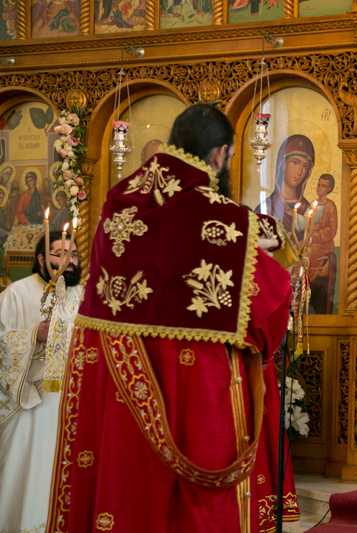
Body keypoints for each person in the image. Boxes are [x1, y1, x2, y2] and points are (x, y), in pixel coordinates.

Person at [45, 104, 300, 533]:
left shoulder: (118, 207)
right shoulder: (230, 223)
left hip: (122, 388)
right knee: (195, 508)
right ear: (219, 156)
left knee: (130, 489)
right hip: (198, 387)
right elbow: (268, 312)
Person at [1, 230, 83, 533]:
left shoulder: (84, 295)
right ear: (40, 259)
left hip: (75, 403)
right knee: (27, 475)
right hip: (29, 403)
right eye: (60, 254)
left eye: (73, 255)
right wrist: (33, 334)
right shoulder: (17, 293)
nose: (69, 261)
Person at [259, 134, 315, 242]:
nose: (300, 172)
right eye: (295, 162)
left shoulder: (308, 210)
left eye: (305, 166)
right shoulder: (267, 207)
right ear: (283, 165)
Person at [304, 173, 338, 314]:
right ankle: (302, 290)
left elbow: (332, 228)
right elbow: (307, 225)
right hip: (311, 241)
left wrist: (317, 235)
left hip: (323, 244)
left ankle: (308, 286)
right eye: (318, 184)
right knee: (299, 250)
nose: (319, 188)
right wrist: (308, 236)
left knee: (310, 253)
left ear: (329, 188)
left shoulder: (331, 206)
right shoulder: (312, 204)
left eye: (323, 186)